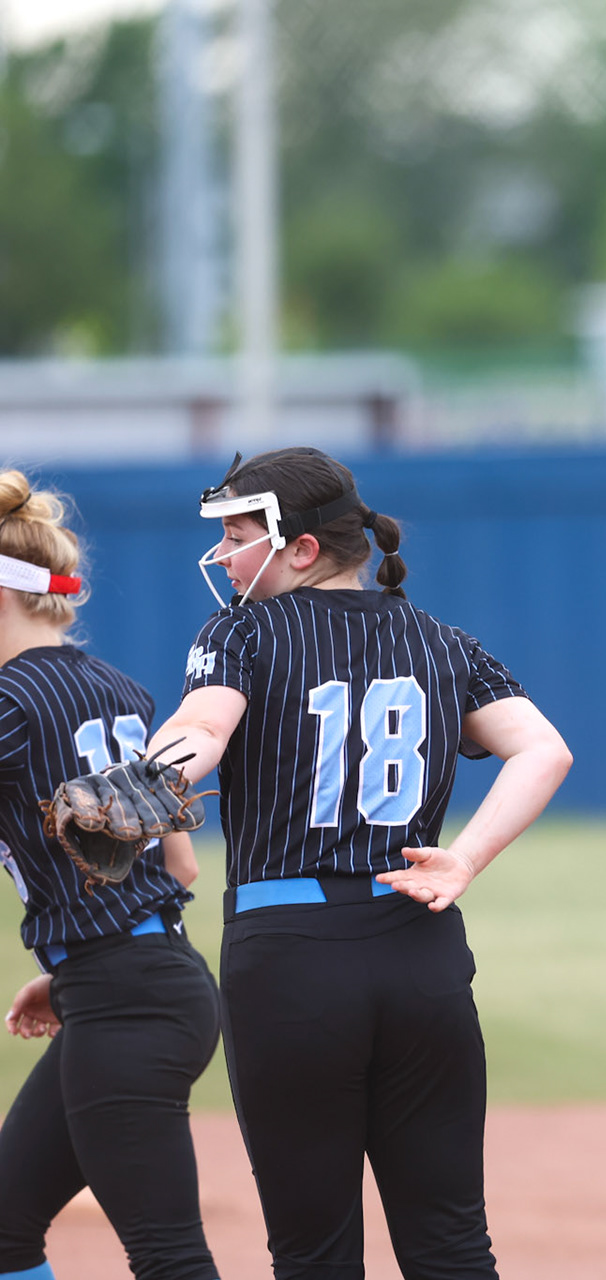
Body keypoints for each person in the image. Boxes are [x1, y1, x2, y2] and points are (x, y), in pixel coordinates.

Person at [147, 447, 572, 1279]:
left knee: (315, 1252)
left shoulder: (243, 630)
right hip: (421, 948)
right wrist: (465, 861)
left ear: (300, 548)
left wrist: (137, 782)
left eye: (238, 535)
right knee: (451, 1243)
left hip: (291, 958)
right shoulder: (441, 639)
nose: (224, 555)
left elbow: (201, 731)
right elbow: (544, 752)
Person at [0, 470, 223, 1280]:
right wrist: (67, 970)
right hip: (139, 980)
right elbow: (180, 859)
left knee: (167, 1255)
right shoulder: (119, 690)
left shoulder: (9, 704)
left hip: (128, 1000)